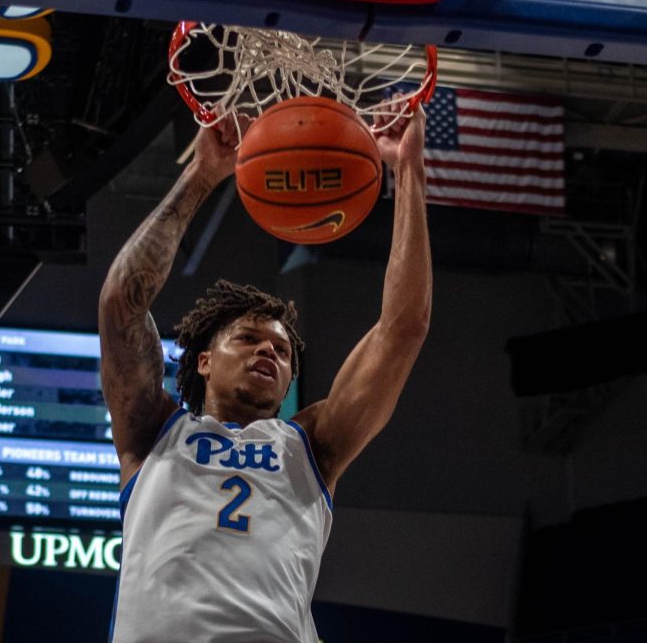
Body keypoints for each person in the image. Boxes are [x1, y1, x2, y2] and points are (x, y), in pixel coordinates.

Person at [99, 109, 431, 642]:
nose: (268, 352)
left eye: (281, 349)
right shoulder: (152, 433)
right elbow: (122, 302)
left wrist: (409, 170)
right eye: (249, 338)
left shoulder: (313, 446)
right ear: (203, 359)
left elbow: (404, 328)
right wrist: (204, 173)